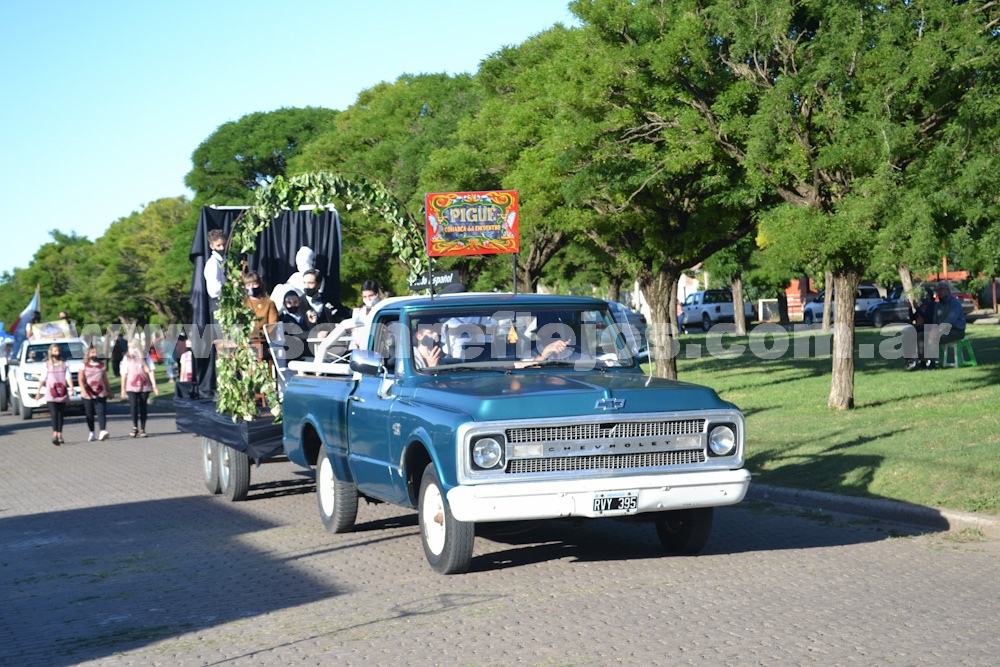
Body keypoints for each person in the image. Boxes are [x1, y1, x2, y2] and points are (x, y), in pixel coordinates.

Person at [34, 343, 71, 445]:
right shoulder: (46, 365)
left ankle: (60, 434)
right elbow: (42, 378)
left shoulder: (64, 364)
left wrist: (71, 388)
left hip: (62, 391)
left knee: (61, 414)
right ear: (51, 352)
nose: (57, 353)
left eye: (58, 351)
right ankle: (54, 434)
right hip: (51, 393)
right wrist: (38, 391)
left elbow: (68, 377)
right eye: (55, 351)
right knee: (54, 413)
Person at [121, 342, 158, 437]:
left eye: (134, 346)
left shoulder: (146, 356)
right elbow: (124, 374)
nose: (132, 349)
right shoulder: (127, 358)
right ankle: (135, 427)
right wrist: (123, 389)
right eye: (130, 347)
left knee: (143, 406)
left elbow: (150, 371)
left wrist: (154, 385)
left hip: (144, 385)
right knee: (133, 405)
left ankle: (142, 428)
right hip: (131, 386)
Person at [77, 346, 111, 441]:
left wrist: (109, 391)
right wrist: (83, 390)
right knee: (89, 413)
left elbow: (105, 379)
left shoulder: (102, 366)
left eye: (95, 353)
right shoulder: (83, 365)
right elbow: (81, 379)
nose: (94, 355)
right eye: (92, 353)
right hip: (88, 392)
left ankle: (102, 431)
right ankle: (91, 432)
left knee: (101, 412)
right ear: (88, 354)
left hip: (100, 392)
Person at [243, 271, 279, 340]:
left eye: (254, 284)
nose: (251, 287)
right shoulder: (243, 304)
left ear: (260, 284)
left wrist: (260, 334)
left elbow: (273, 325)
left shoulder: (269, 303)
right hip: (246, 340)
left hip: (264, 340)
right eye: (248, 285)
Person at [204, 229, 226, 314]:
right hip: (219, 302)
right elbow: (215, 290)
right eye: (218, 245)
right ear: (212, 246)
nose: (222, 248)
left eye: (224, 244)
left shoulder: (225, 260)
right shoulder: (213, 263)